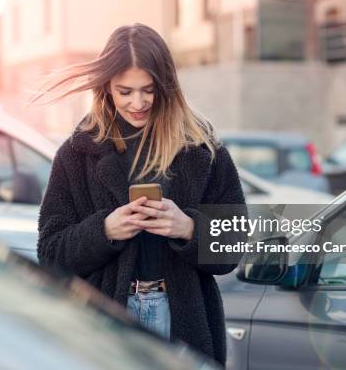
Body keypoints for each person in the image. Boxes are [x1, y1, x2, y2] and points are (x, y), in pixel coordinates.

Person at [36, 23, 245, 366]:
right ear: (107, 89)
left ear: (167, 85)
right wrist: (104, 231)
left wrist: (189, 229)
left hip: (183, 319)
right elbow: (50, 253)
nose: (138, 102)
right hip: (105, 321)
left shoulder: (202, 149)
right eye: (125, 91)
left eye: (148, 90)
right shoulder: (77, 153)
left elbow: (231, 247)